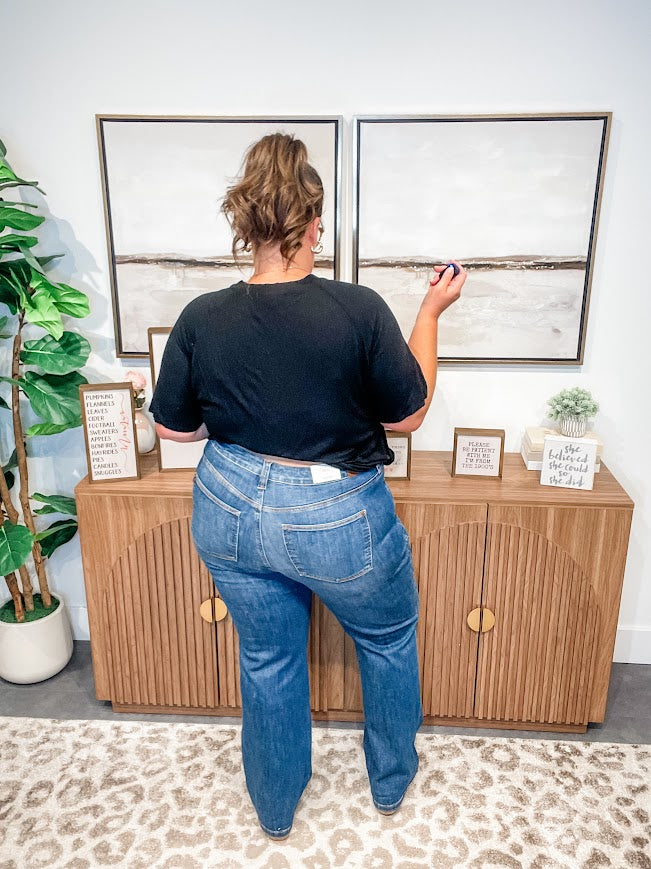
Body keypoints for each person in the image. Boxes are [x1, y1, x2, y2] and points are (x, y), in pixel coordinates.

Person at [149, 133, 466, 840]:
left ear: (245, 224)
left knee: (266, 656)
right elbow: (407, 414)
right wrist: (428, 314)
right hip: (335, 513)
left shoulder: (202, 315)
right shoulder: (356, 309)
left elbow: (175, 430)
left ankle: (274, 807)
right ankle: (388, 784)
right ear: (313, 223)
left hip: (227, 505)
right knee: (386, 640)